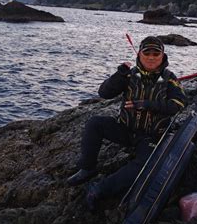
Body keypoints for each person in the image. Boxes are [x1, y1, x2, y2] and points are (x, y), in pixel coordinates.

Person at [67, 36, 186, 210]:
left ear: (162, 56)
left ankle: (100, 188)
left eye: (156, 53)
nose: (151, 57)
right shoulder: (129, 75)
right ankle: (87, 168)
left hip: (151, 136)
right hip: (126, 129)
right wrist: (118, 75)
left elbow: (179, 104)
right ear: (139, 54)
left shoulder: (170, 79)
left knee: (145, 166)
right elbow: (104, 93)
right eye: (147, 53)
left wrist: (147, 104)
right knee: (94, 123)